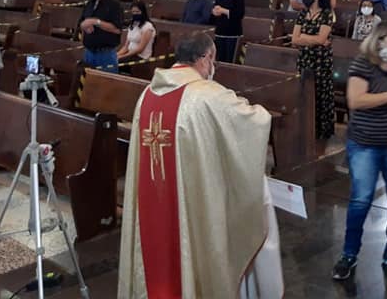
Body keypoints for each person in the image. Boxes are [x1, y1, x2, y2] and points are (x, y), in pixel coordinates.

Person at [118, 33, 283, 298]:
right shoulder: (207, 94)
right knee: (191, 241)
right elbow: (252, 122)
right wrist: (264, 114)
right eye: (213, 60)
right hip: (189, 198)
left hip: (152, 195)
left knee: (156, 248)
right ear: (205, 58)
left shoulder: (148, 94)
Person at [333, 22, 387, 281]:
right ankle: (349, 254)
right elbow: (356, 101)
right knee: (361, 199)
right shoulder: (362, 65)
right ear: (379, 41)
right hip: (364, 144)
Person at [291, 0, 336, 141]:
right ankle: (305, 127)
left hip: (321, 61)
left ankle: (320, 130)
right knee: (304, 93)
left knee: (320, 93)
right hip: (304, 59)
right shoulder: (302, 14)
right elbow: (294, 39)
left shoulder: (326, 14)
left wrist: (305, 37)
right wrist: (312, 39)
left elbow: (322, 39)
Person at [76, 0, 124, 72]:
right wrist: (84, 25)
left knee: (106, 81)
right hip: (89, 52)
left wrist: (96, 22)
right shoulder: (90, 4)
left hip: (105, 55)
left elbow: (117, 29)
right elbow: (82, 22)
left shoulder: (114, 5)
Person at [211, 0, 245, 64]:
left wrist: (224, 11)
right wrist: (215, 11)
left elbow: (240, 14)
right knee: (220, 60)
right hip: (220, 31)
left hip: (232, 33)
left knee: (230, 60)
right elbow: (216, 7)